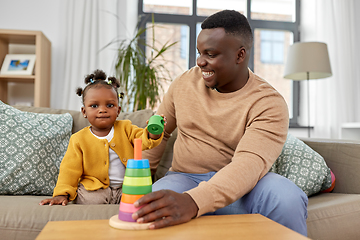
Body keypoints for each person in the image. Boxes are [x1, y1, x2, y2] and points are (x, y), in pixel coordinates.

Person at [131, 10, 308, 236]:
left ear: (240, 55)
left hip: (246, 187)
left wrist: (193, 202)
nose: (200, 61)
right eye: (199, 52)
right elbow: (160, 132)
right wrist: (139, 181)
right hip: (185, 179)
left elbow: (249, 164)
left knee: (287, 198)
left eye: (210, 54)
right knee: (151, 208)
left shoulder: (268, 103)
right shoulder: (184, 83)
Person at [39, 69, 164, 206]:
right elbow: (69, 170)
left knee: (140, 199)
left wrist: (154, 132)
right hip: (95, 188)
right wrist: (61, 194)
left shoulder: (126, 128)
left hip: (126, 186)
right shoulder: (78, 139)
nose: (102, 110)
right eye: (94, 106)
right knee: (89, 198)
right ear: (84, 111)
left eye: (110, 105)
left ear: (118, 110)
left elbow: (143, 140)